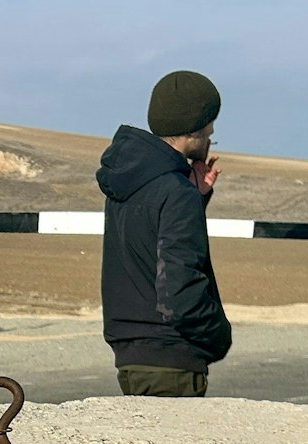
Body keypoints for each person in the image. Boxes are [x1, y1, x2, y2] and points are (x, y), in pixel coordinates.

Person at [97, 71, 231, 397]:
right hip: (171, 362)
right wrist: (219, 338)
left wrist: (195, 196)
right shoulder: (176, 192)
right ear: (196, 128)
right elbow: (179, 292)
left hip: (131, 356)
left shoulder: (129, 181)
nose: (212, 135)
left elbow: (147, 246)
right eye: (210, 128)